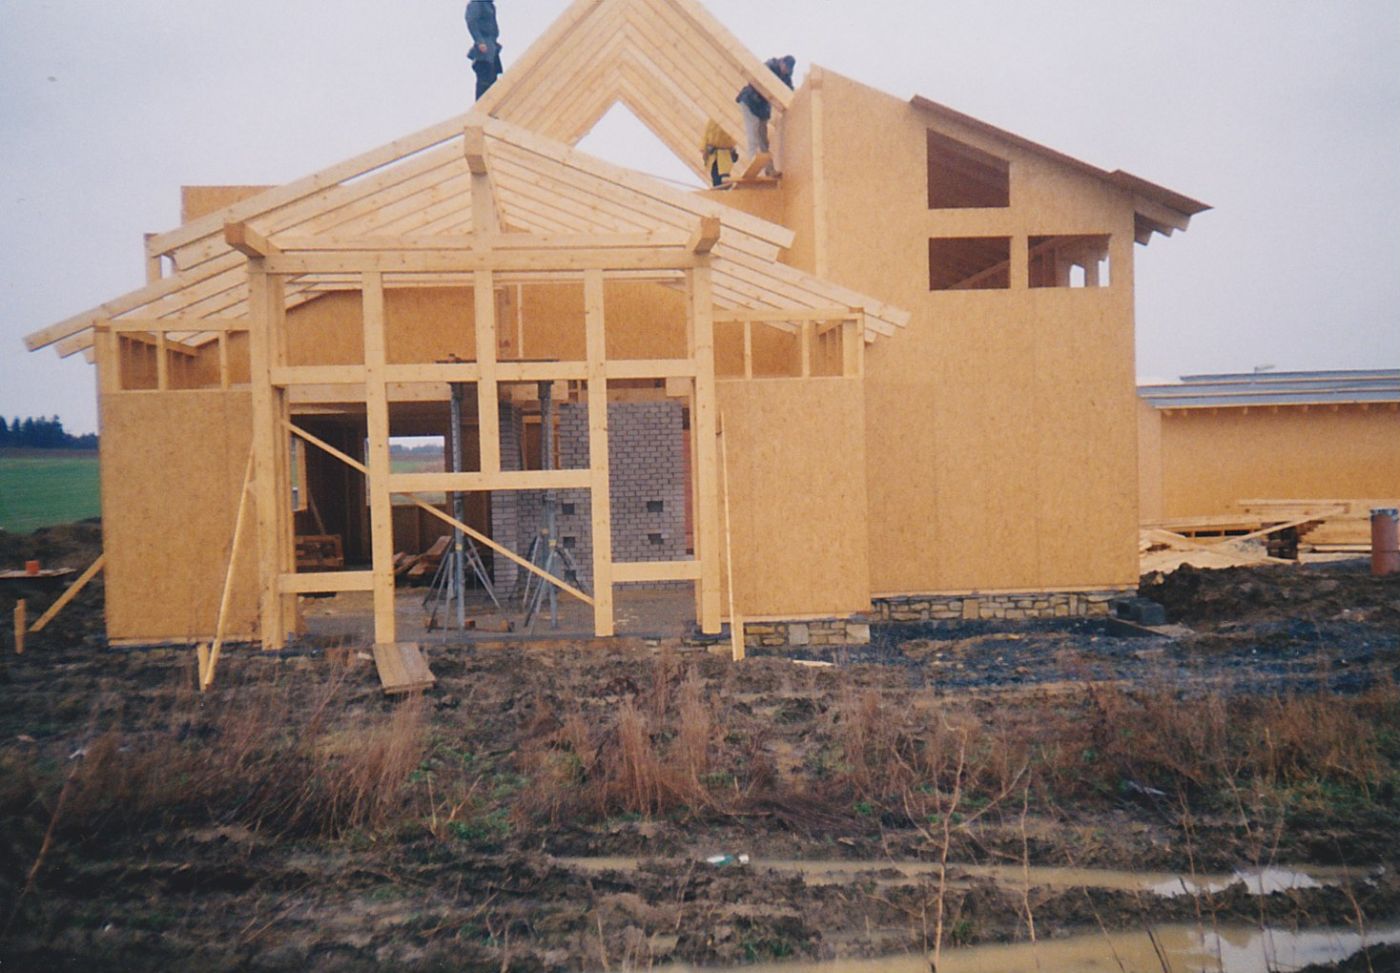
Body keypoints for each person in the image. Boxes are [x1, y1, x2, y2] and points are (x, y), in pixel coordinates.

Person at [735, 55, 795, 177]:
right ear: (781, 62)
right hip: (750, 101)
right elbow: (758, 78)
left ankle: (769, 169)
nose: (785, 70)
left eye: (788, 69)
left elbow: (790, 92)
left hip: (762, 107)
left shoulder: (786, 77)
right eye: (785, 67)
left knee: (763, 139)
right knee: (753, 133)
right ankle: (754, 168)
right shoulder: (770, 67)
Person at [466, 0, 503, 100]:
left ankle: (492, 104)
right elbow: (471, 21)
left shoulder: (490, 5)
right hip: (485, 46)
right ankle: (482, 104)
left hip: (492, 46)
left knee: (493, 79)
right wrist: (480, 41)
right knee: (485, 79)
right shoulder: (477, 3)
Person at [702, 119, 739, 188]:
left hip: (723, 157)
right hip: (715, 157)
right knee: (717, 178)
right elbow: (706, 137)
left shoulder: (727, 122)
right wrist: (705, 151)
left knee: (723, 179)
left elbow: (732, 140)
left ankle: (723, 190)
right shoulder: (712, 122)